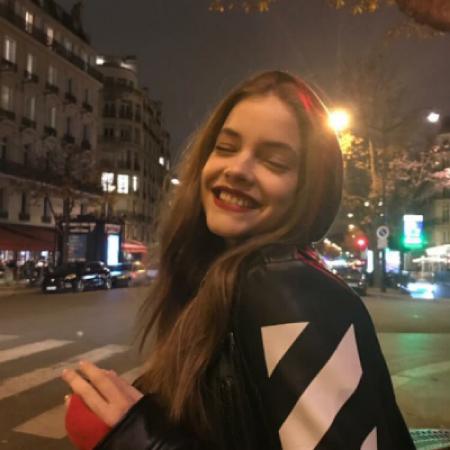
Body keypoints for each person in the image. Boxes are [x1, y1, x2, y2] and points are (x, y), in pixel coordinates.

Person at [62, 71, 415, 450]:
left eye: (274, 161)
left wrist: (138, 438)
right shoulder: (228, 278)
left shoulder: (288, 293)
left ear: (309, 191)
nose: (237, 169)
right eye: (226, 147)